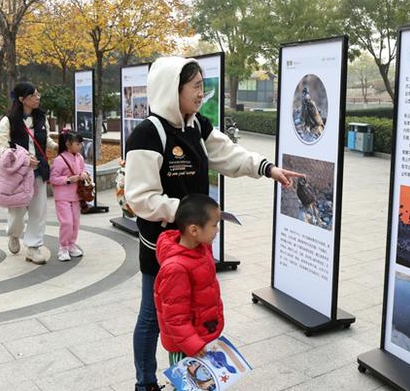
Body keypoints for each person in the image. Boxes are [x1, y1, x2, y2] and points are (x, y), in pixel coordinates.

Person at [125, 57, 303, 391]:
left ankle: (191, 373)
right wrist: (185, 211)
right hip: (163, 244)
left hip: (195, 241)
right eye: (194, 86)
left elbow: (229, 154)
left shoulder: (196, 125)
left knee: (190, 307)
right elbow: (139, 198)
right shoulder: (147, 135)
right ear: (171, 90)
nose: (200, 92)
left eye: (201, 85)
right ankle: (145, 382)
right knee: (153, 314)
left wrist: (267, 168)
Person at [0, 82, 57, 264]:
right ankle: (13, 233)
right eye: (34, 95)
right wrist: (19, 158)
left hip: (39, 172)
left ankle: (33, 247)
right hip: (18, 175)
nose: (38, 98)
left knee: (38, 211)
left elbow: (45, 137)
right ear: (22, 99)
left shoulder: (41, 117)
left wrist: (55, 146)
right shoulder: (9, 120)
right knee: (17, 211)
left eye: (38, 94)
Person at [155, 194, 222, 366]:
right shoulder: (176, 268)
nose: (217, 230)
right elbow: (175, 317)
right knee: (187, 384)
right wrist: (192, 343)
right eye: (214, 225)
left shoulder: (201, 248)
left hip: (202, 334)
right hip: (185, 346)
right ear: (194, 230)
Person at [49, 130, 90, 262]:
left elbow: (84, 169)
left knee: (75, 223)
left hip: (76, 196)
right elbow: (53, 178)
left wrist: (84, 174)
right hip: (63, 197)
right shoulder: (59, 160)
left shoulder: (80, 158)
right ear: (68, 144)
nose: (80, 146)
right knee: (66, 222)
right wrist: (67, 179)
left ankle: (71, 245)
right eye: (78, 143)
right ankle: (63, 247)